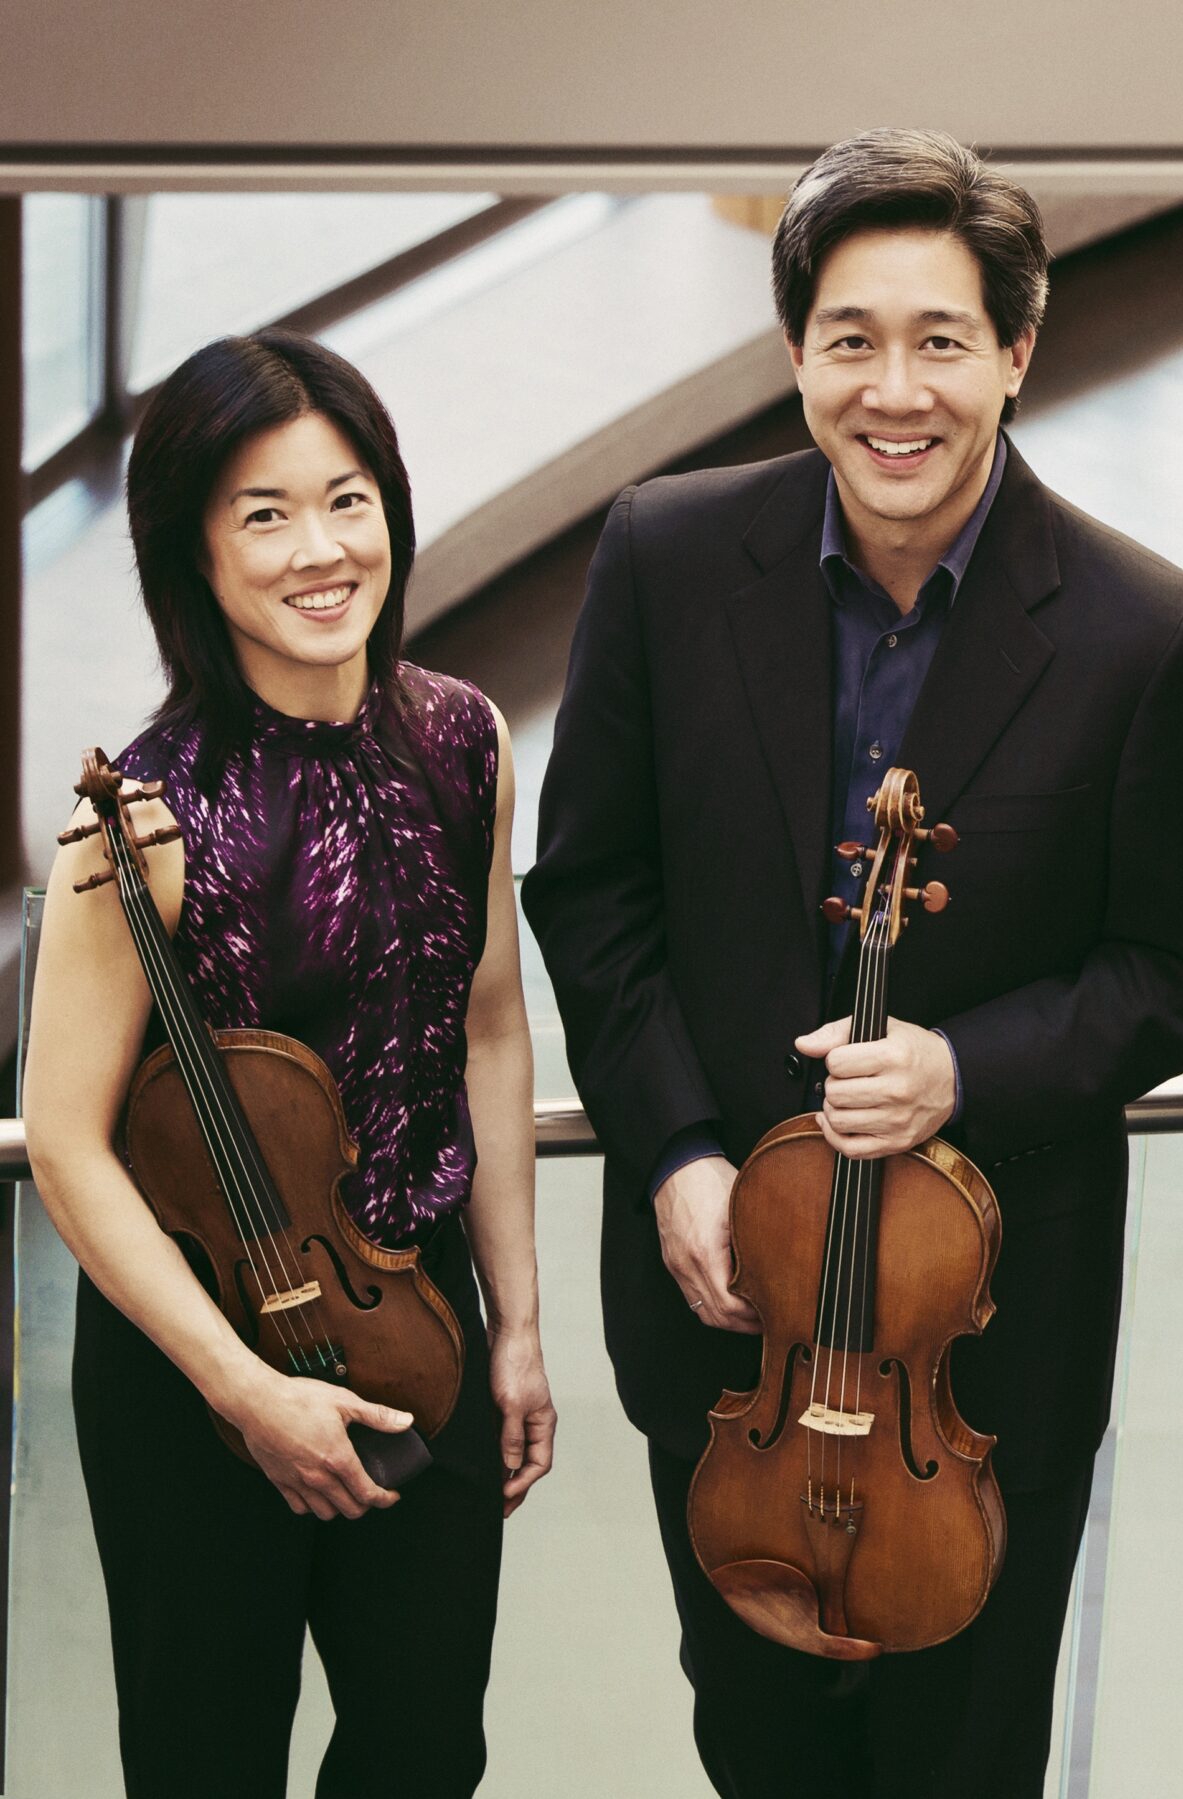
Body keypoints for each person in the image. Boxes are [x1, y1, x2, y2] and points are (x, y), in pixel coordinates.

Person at [524, 127, 1183, 1797]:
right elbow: (591, 889)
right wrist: (682, 1153)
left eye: (941, 340)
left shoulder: (1147, 630)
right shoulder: (661, 555)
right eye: (850, 340)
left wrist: (965, 1069)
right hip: (735, 1327)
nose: (895, 390)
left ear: (1017, 348)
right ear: (794, 354)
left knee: (968, 1762)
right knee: (756, 1749)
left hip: (981, 1356)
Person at [22, 328, 554, 1798]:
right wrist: (241, 1393)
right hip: (197, 1374)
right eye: (265, 514)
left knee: (425, 1749)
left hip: (416, 1325)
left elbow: (491, 1025)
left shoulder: (463, 740)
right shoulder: (139, 820)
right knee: (208, 1765)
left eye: (348, 499)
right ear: (190, 551)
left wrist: (514, 1322)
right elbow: (63, 1141)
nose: (321, 550)